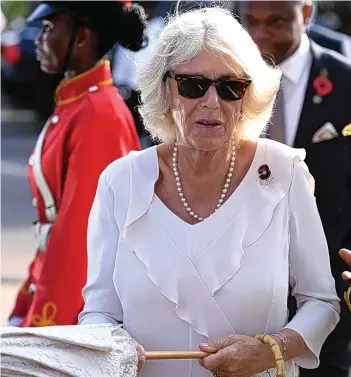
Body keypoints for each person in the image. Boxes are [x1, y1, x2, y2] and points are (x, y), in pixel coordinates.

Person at [79, 6, 340, 377]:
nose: (212, 103)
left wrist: (270, 351)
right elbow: (98, 312)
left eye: (231, 87)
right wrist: (110, 346)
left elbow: (321, 302)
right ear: (165, 89)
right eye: (192, 85)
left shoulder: (285, 173)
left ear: (249, 95)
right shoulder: (120, 182)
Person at [8, 1, 146, 328]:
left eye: (47, 28)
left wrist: (46, 323)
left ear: (81, 37)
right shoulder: (77, 102)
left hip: (81, 300)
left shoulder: (98, 114)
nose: (39, 40)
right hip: (52, 274)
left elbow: (83, 237)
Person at [236, 1, 351, 376]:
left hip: (331, 291)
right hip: (243, 288)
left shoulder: (344, 81)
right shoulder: (226, 79)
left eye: (275, 21)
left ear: (305, 14)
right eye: (250, 21)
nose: (260, 34)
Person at [112, 1, 163, 149]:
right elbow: (122, 64)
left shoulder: (162, 30)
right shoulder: (130, 29)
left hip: (152, 94)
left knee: (154, 140)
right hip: (130, 94)